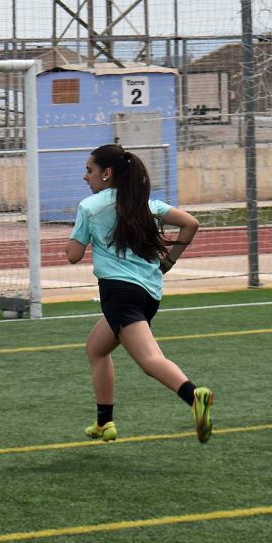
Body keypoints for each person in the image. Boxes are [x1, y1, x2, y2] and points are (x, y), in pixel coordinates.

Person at [64, 144, 214, 444]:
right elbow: (190, 223)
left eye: (89, 170)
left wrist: (78, 234)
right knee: (96, 348)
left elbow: (73, 255)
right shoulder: (145, 205)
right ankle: (104, 423)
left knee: (149, 361)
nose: (85, 177)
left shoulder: (89, 207)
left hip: (118, 294)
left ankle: (194, 395)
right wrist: (168, 262)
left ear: (107, 174)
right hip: (148, 294)